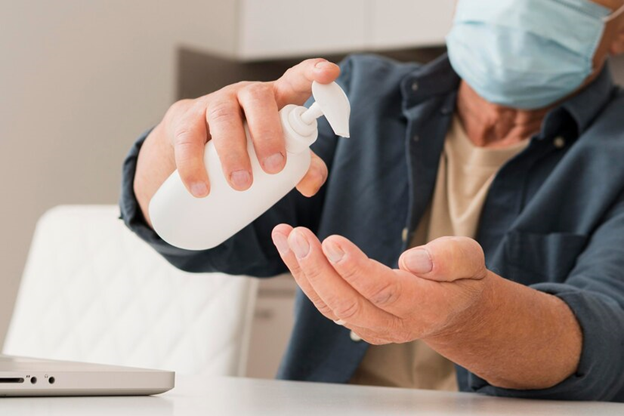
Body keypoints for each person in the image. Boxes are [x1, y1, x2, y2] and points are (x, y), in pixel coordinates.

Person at [121, 0, 624, 401]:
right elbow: (207, 242)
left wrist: (467, 319)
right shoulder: (360, 95)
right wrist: (177, 141)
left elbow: (609, 346)